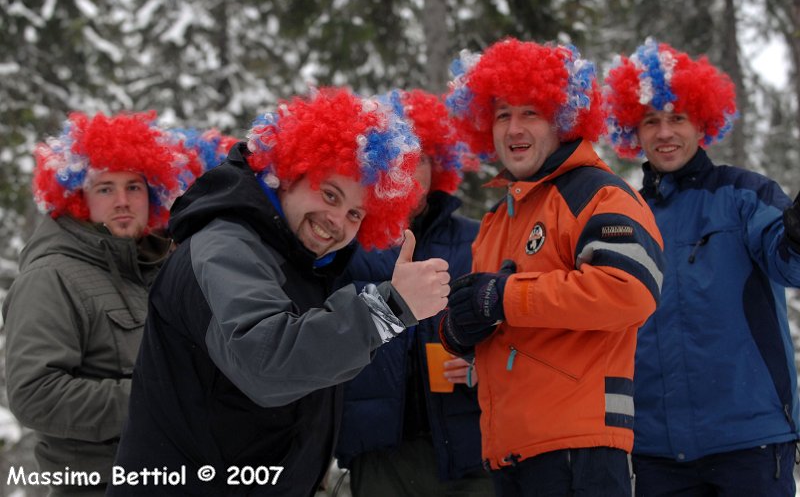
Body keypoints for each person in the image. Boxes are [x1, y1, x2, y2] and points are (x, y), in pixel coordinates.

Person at [110, 88, 450, 496]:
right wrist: (388, 310)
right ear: (287, 173)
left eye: (355, 213)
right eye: (329, 194)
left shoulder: (295, 256)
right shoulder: (225, 247)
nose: (336, 221)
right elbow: (268, 362)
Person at [440, 38, 665, 497]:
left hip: (579, 452)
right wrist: (462, 332)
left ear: (563, 120)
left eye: (531, 113)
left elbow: (630, 290)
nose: (514, 128)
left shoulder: (598, 193)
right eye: (503, 114)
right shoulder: (497, 219)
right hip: (510, 452)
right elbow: (503, 324)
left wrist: (502, 297)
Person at [603, 38, 800, 496]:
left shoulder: (744, 194)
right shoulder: (623, 213)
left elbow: (789, 265)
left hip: (749, 444)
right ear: (635, 131)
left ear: (702, 122)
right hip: (656, 453)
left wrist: (795, 234)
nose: (665, 132)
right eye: (651, 121)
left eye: (678, 117)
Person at [2, 111, 196, 495]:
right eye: (105, 188)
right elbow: (34, 395)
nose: (123, 201)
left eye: (134, 187)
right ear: (78, 198)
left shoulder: (156, 269)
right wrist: (161, 402)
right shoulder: (52, 276)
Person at [334, 89, 492, 497]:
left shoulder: (479, 239)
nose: (408, 169)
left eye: (419, 157)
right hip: (380, 452)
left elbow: (512, 330)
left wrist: (481, 364)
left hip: (468, 447)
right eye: (396, 158)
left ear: (439, 165)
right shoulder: (344, 239)